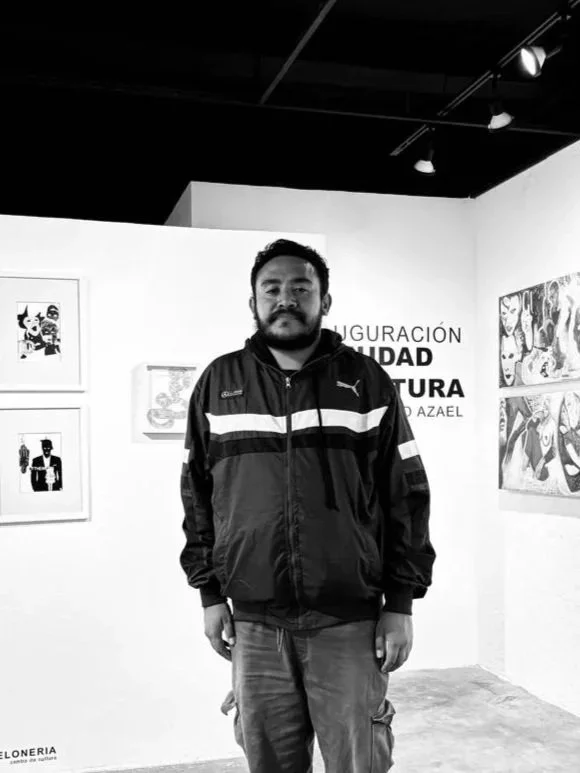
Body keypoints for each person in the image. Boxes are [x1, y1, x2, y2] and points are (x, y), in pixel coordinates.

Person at [180, 239, 436, 773]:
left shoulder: (367, 381)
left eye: (301, 287)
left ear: (325, 300)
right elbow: (197, 497)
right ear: (253, 302)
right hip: (255, 622)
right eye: (272, 288)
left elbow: (406, 495)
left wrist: (400, 602)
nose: (286, 299)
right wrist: (209, 594)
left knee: (358, 762)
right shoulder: (219, 383)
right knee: (269, 761)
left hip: (348, 619)